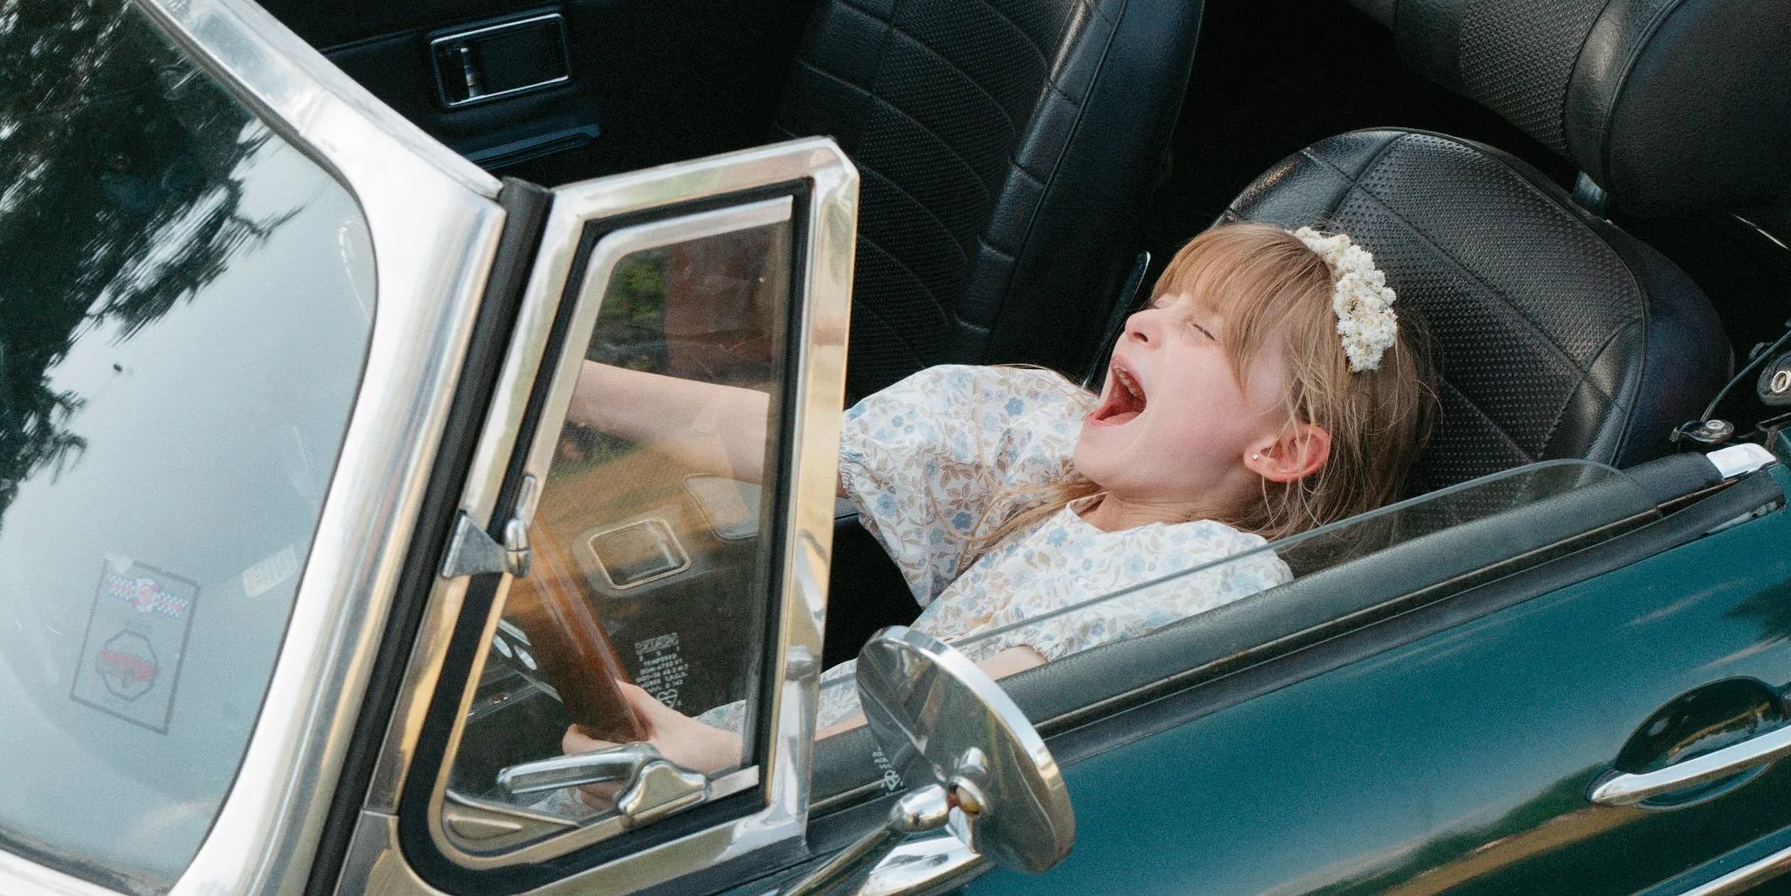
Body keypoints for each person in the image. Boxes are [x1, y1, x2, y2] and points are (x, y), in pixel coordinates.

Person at [562, 222, 1437, 772]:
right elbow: (799, 445)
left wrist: (727, 763)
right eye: (1160, 304)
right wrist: (565, 384)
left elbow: (971, 705)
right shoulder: (1049, 447)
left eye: (1201, 331)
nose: (1142, 323)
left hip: (842, 790)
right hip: (784, 742)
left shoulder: (1210, 575)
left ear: (1282, 450)